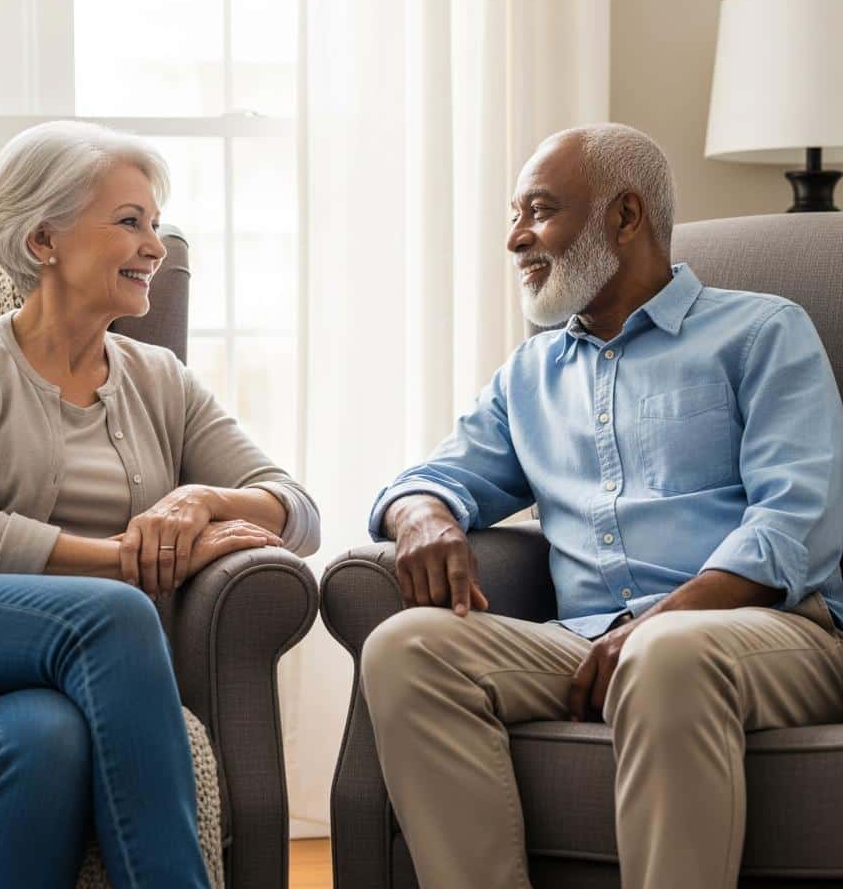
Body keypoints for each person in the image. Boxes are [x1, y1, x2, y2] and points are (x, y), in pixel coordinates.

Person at [0, 120, 320, 888]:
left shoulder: (162, 380)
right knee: (118, 612)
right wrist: (127, 561)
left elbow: (298, 510)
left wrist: (203, 500)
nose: (154, 245)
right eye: (129, 222)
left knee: (50, 743)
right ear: (44, 240)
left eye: (155, 223)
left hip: (46, 663)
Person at [361, 123, 843, 889]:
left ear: (625, 216)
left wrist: (664, 619)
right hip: (592, 643)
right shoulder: (530, 373)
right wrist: (421, 513)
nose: (517, 238)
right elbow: (433, 476)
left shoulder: (762, 332)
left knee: (668, 653)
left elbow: (798, 527)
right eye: (513, 216)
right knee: (406, 648)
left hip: (770, 633)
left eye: (540, 211)